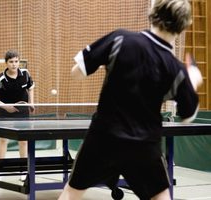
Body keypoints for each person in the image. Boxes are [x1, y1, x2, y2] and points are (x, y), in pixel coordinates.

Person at [58, 0, 203, 200]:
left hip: (103, 139)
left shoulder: (120, 39)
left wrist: (107, 64)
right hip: (143, 146)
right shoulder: (175, 68)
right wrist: (192, 80)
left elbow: (77, 73)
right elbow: (188, 116)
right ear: (183, 25)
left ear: (153, 13)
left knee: (71, 194)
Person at [0, 50, 35, 180]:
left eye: (16, 61)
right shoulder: (1, 78)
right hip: (5, 110)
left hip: (23, 109)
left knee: (24, 140)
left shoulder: (25, 73)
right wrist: (6, 107)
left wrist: (31, 103)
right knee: (3, 139)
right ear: (6, 63)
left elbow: (30, 87)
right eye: (11, 62)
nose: (14, 64)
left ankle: (23, 170)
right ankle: (0, 170)